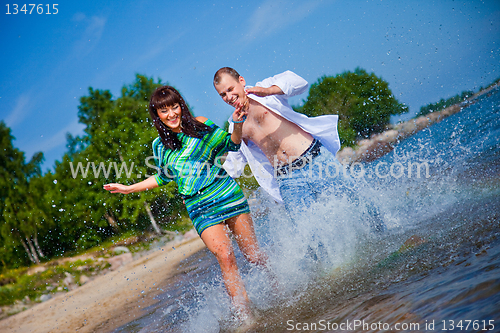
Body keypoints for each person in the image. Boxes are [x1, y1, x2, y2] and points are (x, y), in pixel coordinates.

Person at [104, 85, 269, 321]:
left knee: (252, 255)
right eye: (164, 110)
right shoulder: (159, 146)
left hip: (225, 194)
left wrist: (237, 123)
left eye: (174, 106)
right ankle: (246, 317)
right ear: (157, 115)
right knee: (225, 256)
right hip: (199, 208)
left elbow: (231, 145)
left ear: (181, 106)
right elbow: (163, 176)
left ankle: (277, 280)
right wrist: (129, 188)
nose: (171, 114)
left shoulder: (200, 125)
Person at [213, 68, 384, 239]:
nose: (229, 97)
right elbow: (232, 167)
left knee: (359, 205)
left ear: (241, 81)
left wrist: (269, 91)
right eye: (223, 94)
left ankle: (385, 240)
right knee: (310, 236)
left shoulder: (264, 90)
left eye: (230, 89)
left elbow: (299, 82)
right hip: (287, 179)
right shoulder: (234, 125)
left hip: (315, 159)